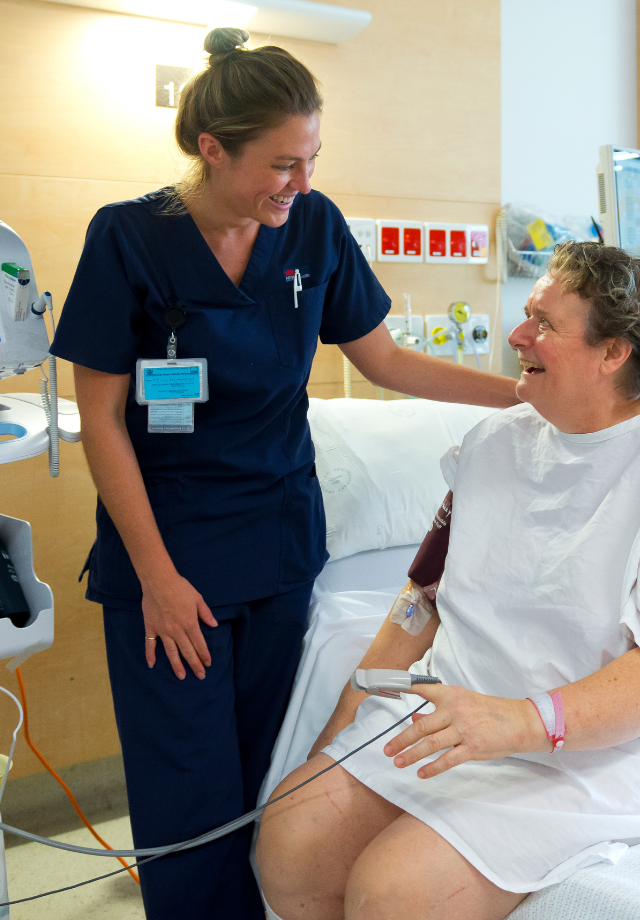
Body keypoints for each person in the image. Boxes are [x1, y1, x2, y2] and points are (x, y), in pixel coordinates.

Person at [49, 27, 520, 920]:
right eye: (280, 165)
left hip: (277, 549)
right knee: (187, 793)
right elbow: (103, 422)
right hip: (171, 557)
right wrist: (155, 579)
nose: (299, 185)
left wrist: (530, 399)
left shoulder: (313, 226)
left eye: (310, 160)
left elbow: (385, 361)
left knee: (272, 773)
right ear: (210, 147)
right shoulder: (128, 240)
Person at [256, 241, 640, 920]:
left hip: (618, 745)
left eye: (545, 325)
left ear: (613, 352)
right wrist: (336, 737)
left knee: (395, 893)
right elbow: (423, 597)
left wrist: (524, 721)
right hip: (470, 720)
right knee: (291, 844)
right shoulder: (494, 442)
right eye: (527, 314)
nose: (516, 335)